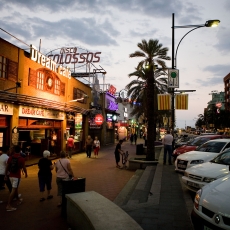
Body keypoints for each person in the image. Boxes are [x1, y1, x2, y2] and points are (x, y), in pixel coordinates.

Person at [5, 145, 28, 211]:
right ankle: (8, 205)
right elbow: (24, 167)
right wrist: (26, 173)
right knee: (14, 189)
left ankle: (18, 199)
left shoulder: (10, 157)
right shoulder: (21, 158)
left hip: (11, 175)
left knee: (15, 188)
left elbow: (7, 166)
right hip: (17, 176)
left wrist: (6, 175)